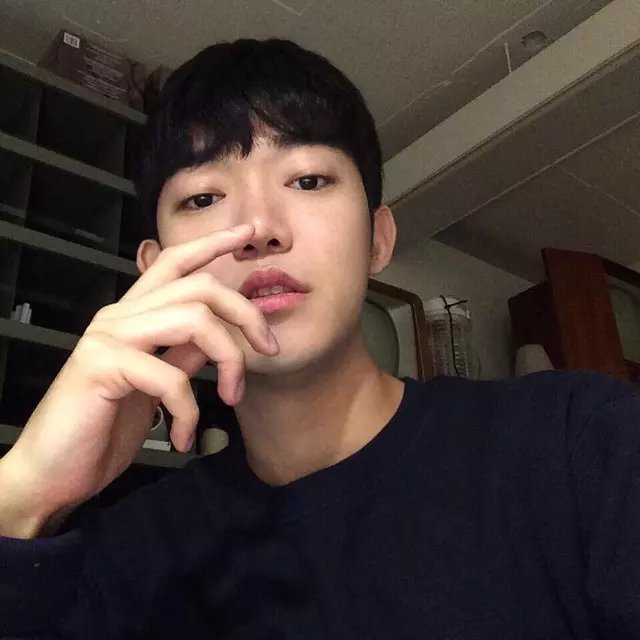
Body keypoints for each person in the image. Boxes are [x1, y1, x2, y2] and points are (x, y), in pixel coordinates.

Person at [0, 38, 639, 640]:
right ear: (154, 270)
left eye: (307, 180)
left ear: (378, 239)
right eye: (203, 197)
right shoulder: (129, 556)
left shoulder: (579, 445)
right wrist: (24, 494)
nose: (260, 228)